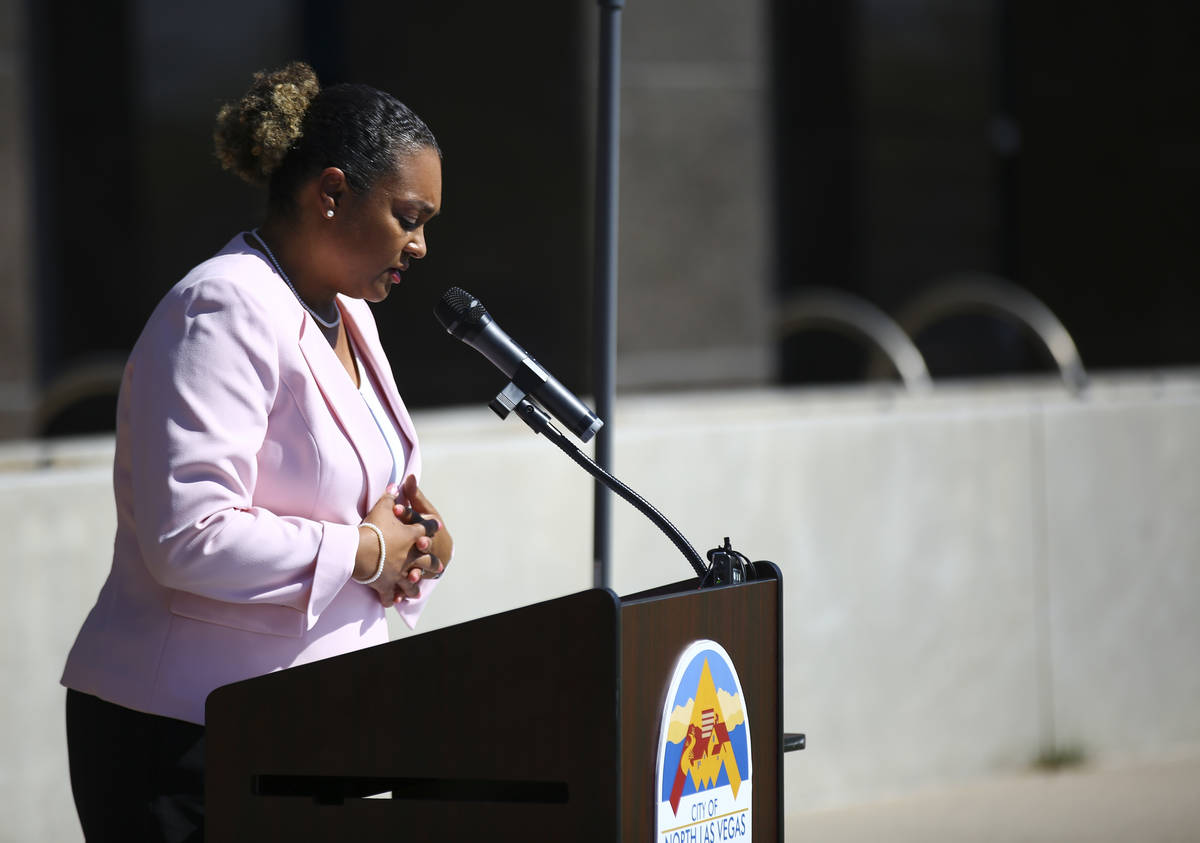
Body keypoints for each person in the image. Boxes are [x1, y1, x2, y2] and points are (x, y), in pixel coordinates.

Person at [60, 61, 452, 842]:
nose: (420, 245)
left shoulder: (351, 315)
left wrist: (413, 542)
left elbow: (357, 499)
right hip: (184, 738)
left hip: (308, 729)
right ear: (332, 193)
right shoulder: (222, 304)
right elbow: (188, 537)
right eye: (409, 217)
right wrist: (368, 548)